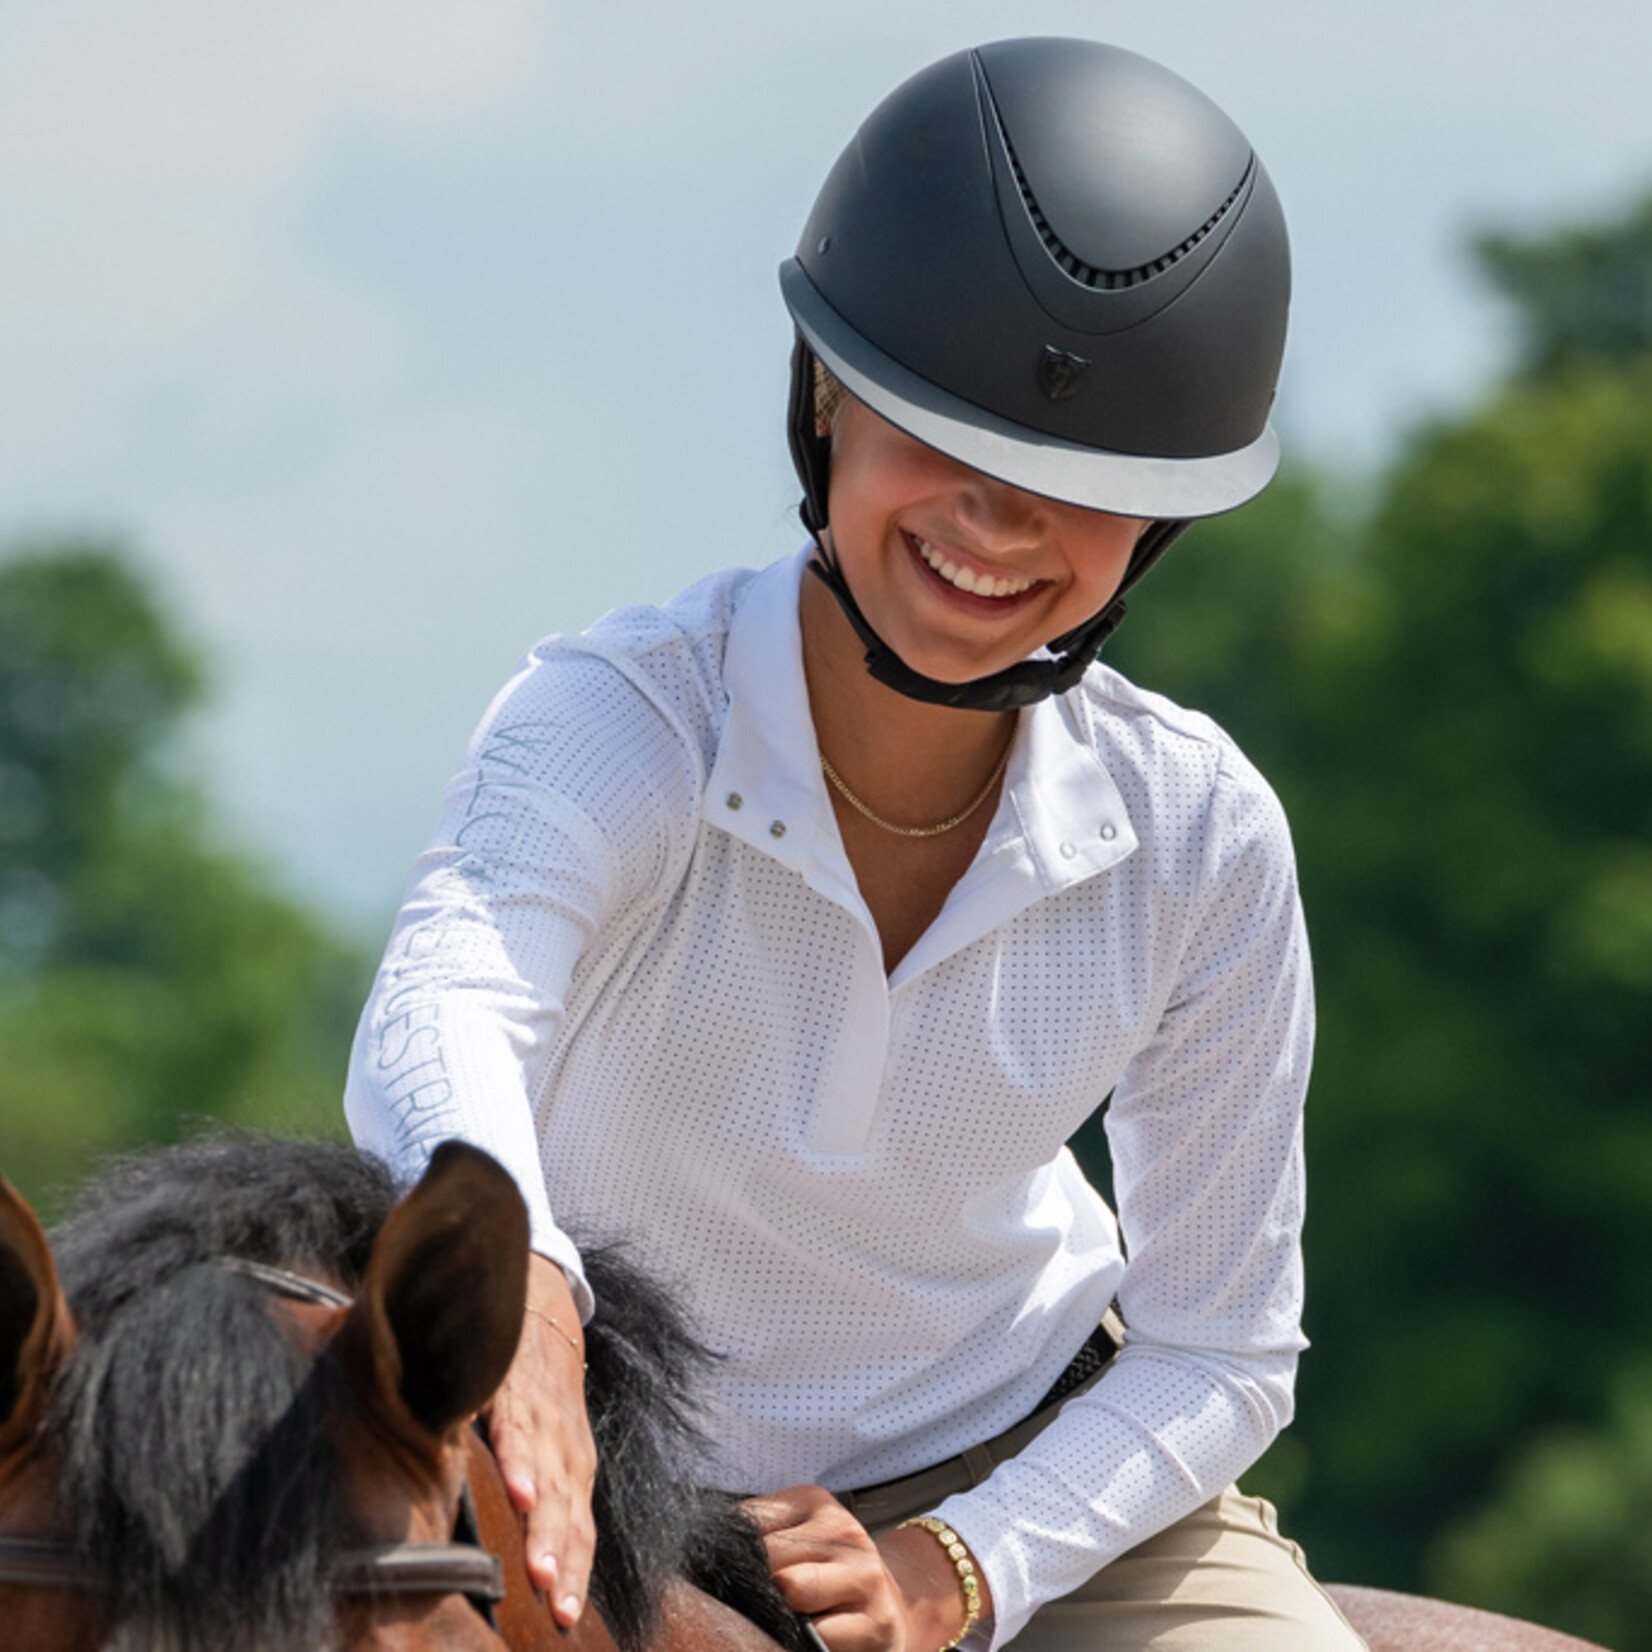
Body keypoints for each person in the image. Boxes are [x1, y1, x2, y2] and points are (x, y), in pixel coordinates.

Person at [345, 37, 1366, 1652]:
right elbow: (446, 1004)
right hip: (606, 1470)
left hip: (1027, 1471)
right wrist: (523, 1290)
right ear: (827, 396)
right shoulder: (614, 717)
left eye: (1076, 481)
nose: (996, 524)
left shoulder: (1204, 835)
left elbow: (1222, 1348)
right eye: (940, 438)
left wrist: (954, 1565)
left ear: (1161, 525)